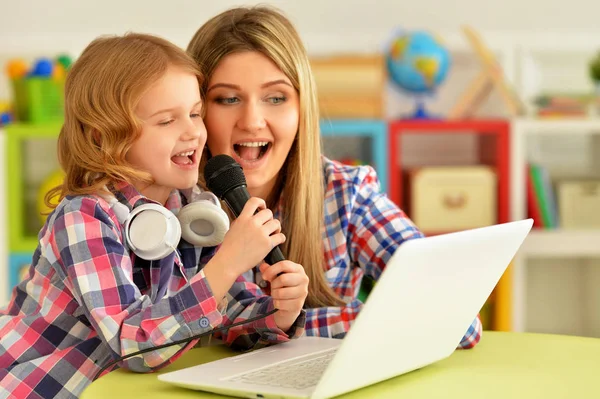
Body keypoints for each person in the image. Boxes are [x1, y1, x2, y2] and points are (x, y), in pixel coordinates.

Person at [0, 32, 309, 399]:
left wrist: (277, 312)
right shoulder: (84, 218)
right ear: (104, 137)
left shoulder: (193, 211)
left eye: (195, 113)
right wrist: (226, 264)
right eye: (166, 121)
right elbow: (134, 345)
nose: (193, 132)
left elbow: (232, 320)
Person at [187, 6, 482, 347]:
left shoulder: (347, 194)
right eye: (228, 98)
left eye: (275, 98)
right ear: (197, 111)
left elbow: (457, 317)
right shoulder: (175, 207)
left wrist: (289, 323)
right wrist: (372, 319)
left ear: (301, 108)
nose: (252, 121)